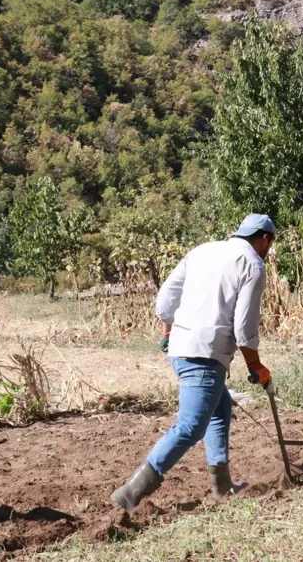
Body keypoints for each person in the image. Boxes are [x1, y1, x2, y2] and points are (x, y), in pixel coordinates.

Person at [111, 213, 276, 511]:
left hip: (180, 349)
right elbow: (244, 330)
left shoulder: (202, 251)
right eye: (270, 243)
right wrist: (257, 365)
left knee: (220, 408)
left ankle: (222, 485)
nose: (268, 249)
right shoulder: (252, 264)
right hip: (204, 355)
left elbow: (164, 303)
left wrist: (168, 329)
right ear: (264, 238)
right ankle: (131, 492)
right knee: (190, 427)